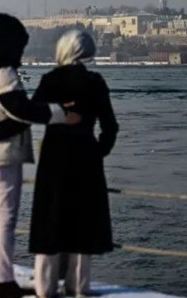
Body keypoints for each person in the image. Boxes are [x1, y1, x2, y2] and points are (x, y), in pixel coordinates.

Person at [0, 14, 82, 298]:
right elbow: (20, 109)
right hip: (1, 156)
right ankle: (3, 280)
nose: (21, 53)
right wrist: (62, 114)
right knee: (4, 220)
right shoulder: (2, 72)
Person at [29, 30, 118, 298]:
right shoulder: (95, 82)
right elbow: (110, 126)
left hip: (54, 158)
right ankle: (78, 287)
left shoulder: (49, 80)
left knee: (51, 221)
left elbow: (34, 112)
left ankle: (44, 287)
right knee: (83, 224)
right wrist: (98, 151)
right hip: (85, 159)